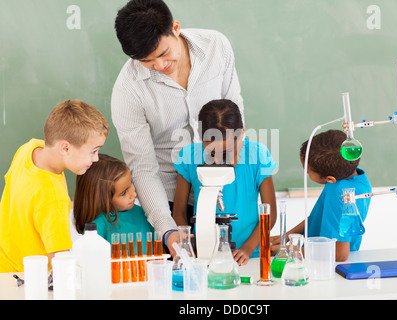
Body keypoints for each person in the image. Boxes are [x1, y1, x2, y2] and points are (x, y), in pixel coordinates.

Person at [111, 0, 244, 256]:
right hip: (170, 197)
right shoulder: (128, 90)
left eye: (162, 54)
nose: (160, 66)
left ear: (175, 28)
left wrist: (232, 161)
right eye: (147, 61)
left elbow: (235, 108)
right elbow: (142, 167)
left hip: (224, 187)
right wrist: (168, 229)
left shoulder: (216, 47)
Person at [0, 100, 109, 272]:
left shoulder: (28, 150)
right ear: (65, 148)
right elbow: (60, 260)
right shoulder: (53, 198)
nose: (96, 159)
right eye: (93, 151)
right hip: (28, 279)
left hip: (5, 268)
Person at [173, 99, 277, 266]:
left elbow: (269, 215)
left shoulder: (258, 156)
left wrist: (247, 249)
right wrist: (191, 246)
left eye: (228, 151)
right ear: (201, 137)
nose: (220, 159)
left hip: (250, 255)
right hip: (203, 255)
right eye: (212, 152)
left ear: (241, 133)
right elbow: (178, 214)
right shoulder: (189, 157)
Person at [271, 130, 372, 261]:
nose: (307, 175)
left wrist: (284, 250)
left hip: (326, 265)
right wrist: (285, 237)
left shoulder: (338, 192)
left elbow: (338, 253)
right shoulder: (360, 181)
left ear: (330, 178)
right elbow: (317, 217)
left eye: (308, 172)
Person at [73, 154, 154, 253]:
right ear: (103, 199)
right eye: (124, 193)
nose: (133, 194)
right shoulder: (97, 226)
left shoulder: (144, 212)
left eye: (131, 184)